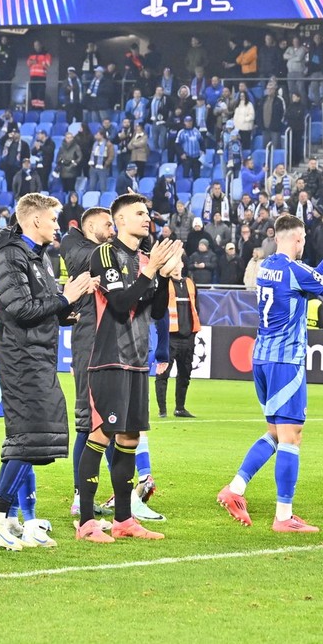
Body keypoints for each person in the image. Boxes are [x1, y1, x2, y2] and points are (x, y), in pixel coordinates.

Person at [216, 214, 323, 533]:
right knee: (292, 436)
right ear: (297, 239)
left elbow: (313, 277)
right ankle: (283, 516)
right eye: (303, 239)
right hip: (285, 361)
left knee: (277, 432)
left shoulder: (268, 267)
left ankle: (235, 489)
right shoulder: (295, 270)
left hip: (262, 358)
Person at [0, 194, 95, 551]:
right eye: (54, 219)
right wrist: (65, 298)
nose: (58, 226)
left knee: (32, 440)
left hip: (38, 356)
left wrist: (64, 311)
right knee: (29, 438)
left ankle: (14, 519)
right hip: (20, 359)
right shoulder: (11, 256)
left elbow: (39, 307)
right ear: (34, 221)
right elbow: (18, 308)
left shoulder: (37, 257)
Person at [75, 195, 183, 543]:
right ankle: (88, 522)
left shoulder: (143, 258)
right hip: (109, 357)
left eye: (147, 213)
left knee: (130, 439)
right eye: (138, 213)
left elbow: (159, 311)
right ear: (119, 220)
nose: (146, 218)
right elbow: (120, 304)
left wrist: (164, 276)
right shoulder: (105, 254)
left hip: (137, 360)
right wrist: (150, 271)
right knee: (101, 435)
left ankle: (124, 520)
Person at [155, 256, 200, 418]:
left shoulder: (190, 283)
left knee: (185, 374)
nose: (175, 268)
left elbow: (196, 308)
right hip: (169, 337)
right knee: (163, 374)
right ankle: (162, 410)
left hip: (188, 337)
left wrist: (192, 332)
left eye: (177, 264)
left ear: (182, 265)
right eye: (171, 265)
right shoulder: (164, 284)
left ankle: (180, 408)